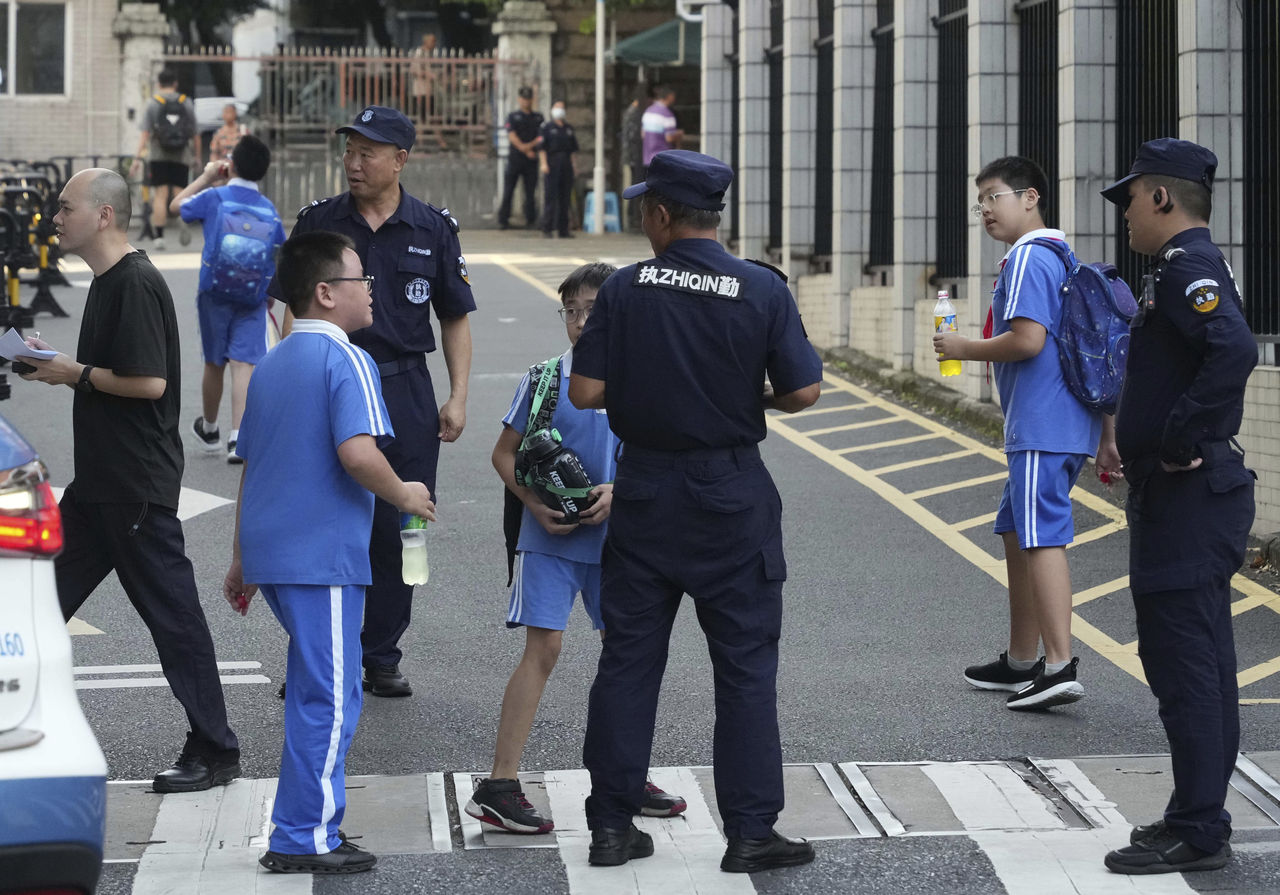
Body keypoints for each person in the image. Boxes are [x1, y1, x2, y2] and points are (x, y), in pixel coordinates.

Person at [571, 150, 823, 872]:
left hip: (646, 490)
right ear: (715, 215)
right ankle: (749, 832)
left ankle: (612, 827)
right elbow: (804, 392)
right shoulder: (760, 288)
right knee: (744, 667)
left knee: (627, 663)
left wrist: (646, 389)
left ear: (659, 214)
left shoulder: (624, 289)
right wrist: (749, 399)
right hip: (731, 494)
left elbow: (586, 392)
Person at [19, 168, 240, 793]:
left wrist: (74, 373)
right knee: (31, 606)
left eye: (65, 208)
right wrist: (56, 365)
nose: (54, 218)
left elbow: (150, 384)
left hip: (134, 486)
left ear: (104, 215)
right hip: (99, 485)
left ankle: (216, 749)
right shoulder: (107, 281)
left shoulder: (136, 282)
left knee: (174, 621)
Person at [225, 231, 437, 875]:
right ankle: (302, 835)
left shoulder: (275, 362)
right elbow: (358, 453)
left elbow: (252, 466)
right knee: (332, 697)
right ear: (325, 293)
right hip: (323, 557)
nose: (369, 290)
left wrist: (241, 560)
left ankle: (305, 825)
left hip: (275, 553)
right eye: (359, 279)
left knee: (318, 690)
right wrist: (408, 493)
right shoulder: (348, 361)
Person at [465, 263, 686, 835]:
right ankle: (500, 784)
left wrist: (620, 490)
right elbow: (503, 454)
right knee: (544, 651)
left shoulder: (643, 377)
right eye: (572, 311)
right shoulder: (544, 379)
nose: (581, 321)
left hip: (622, 544)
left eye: (592, 309)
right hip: (551, 541)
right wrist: (533, 503)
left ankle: (625, 774)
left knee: (627, 658)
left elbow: (664, 454)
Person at [270, 105, 476, 698]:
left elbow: (455, 318)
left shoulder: (433, 228)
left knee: (400, 523)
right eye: (349, 151)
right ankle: (314, 654)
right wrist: (293, 383)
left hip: (403, 387)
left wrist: (457, 396)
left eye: (368, 153)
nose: (353, 163)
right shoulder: (319, 222)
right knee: (320, 521)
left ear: (400, 160)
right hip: (331, 380)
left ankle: (380, 652)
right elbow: (292, 311)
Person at [1097, 139, 1256, 876]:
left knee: (1184, 662)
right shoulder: (1183, 267)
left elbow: (1233, 350)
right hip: (1191, 499)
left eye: (1129, 198)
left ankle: (1200, 826)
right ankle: (1199, 811)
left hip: (1189, 498)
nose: (1124, 214)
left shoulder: (1189, 266)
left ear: (1161, 198)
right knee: (1201, 663)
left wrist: (1179, 433)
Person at [933, 156, 1106, 711]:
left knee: (1040, 534)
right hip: (1060, 422)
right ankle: (1020, 660)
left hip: (1043, 424)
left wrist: (963, 348)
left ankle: (1058, 665)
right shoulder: (1059, 254)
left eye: (994, 196)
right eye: (979, 200)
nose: (985, 208)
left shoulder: (1030, 258)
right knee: (1016, 529)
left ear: (1030, 197)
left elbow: (1028, 341)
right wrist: (1106, 432)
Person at [170, 134, 287, 464]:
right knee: (243, 364)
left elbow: (175, 206)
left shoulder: (216, 197)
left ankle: (209, 428)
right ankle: (238, 437)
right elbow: (277, 254)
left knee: (214, 362)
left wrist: (207, 176)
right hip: (253, 297)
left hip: (214, 292)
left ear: (230, 165)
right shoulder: (268, 209)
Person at [129, 69, 197, 251]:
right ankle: (183, 220)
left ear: (159, 84)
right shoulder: (186, 103)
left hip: (158, 155)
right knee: (180, 193)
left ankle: (159, 237)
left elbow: (145, 133)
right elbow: (194, 132)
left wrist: (137, 159)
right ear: (175, 83)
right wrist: (196, 156)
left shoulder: (153, 104)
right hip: (181, 155)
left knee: (160, 195)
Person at [496, 86, 543, 230]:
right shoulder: (513, 116)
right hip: (515, 159)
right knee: (509, 189)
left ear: (532, 100)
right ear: (519, 99)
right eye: (523, 99)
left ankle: (531, 219)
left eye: (528, 99)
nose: (525, 102)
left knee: (530, 192)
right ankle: (503, 220)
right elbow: (512, 136)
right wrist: (524, 148)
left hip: (531, 159)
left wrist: (528, 148)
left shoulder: (538, 117)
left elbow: (541, 136)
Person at [538, 101, 578, 239]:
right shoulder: (547, 128)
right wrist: (543, 164)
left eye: (562, 108)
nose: (559, 110)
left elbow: (573, 150)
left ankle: (563, 229)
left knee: (565, 198)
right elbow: (542, 148)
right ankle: (547, 227)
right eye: (557, 108)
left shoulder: (568, 128)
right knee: (550, 197)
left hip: (566, 164)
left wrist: (574, 166)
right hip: (552, 163)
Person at [619, 85, 649, 231]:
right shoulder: (634, 113)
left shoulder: (633, 112)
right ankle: (633, 219)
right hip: (635, 156)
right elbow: (634, 136)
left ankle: (633, 218)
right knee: (636, 185)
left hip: (633, 155)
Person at [641, 85, 683, 168]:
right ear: (670, 97)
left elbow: (643, 134)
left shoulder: (648, 111)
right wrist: (679, 134)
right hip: (663, 159)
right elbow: (669, 138)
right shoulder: (667, 114)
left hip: (648, 158)